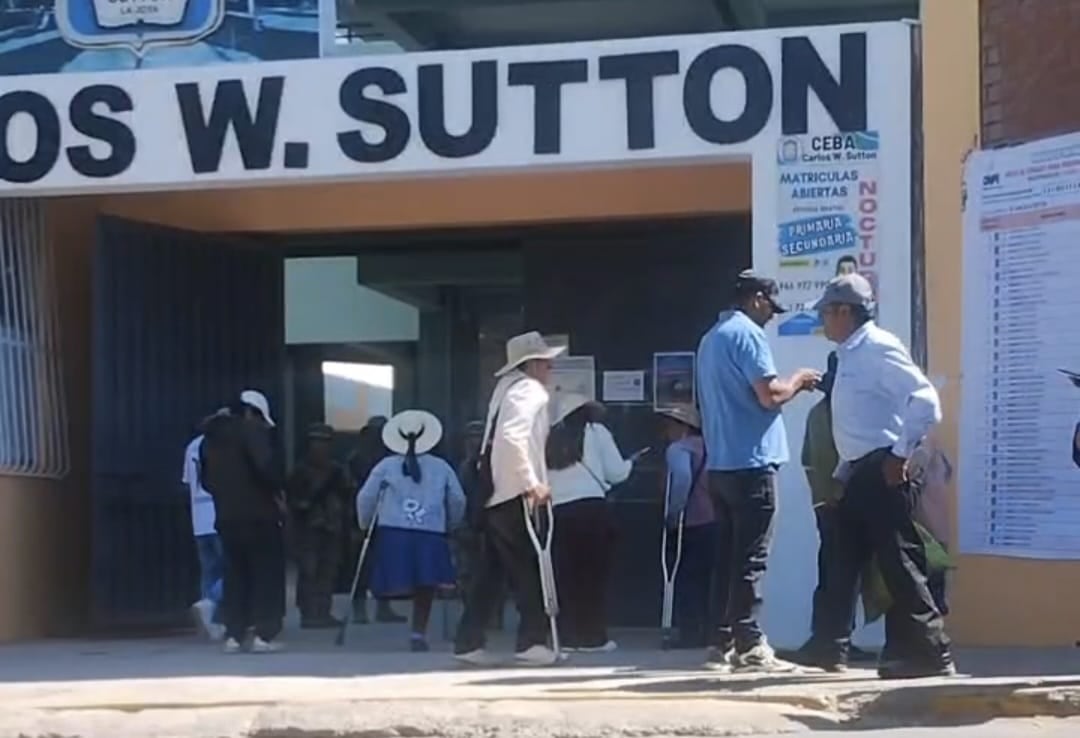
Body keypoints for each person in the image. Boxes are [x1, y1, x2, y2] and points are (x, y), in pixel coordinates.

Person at [814, 273, 955, 679]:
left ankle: (933, 651)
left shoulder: (877, 347)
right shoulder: (848, 355)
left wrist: (900, 454)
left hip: (883, 471)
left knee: (900, 564)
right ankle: (827, 648)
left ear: (845, 312)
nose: (823, 321)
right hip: (859, 472)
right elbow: (861, 424)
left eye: (827, 312)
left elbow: (925, 399)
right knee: (839, 561)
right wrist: (844, 472)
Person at [696, 270, 820, 672]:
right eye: (770, 306)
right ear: (757, 299)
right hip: (753, 463)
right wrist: (800, 379)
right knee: (751, 559)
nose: (771, 315)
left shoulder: (710, 339)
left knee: (728, 557)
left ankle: (720, 642)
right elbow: (770, 396)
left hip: (721, 465)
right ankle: (750, 644)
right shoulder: (748, 335)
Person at [454, 331, 566, 667]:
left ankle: (468, 641)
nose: (550, 368)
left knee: (492, 572)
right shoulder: (529, 390)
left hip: (495, 493)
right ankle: (531, 641)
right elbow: (512, 437)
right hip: (515, 492)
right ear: (532, 364)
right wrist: (532, 483)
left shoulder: (505, 390)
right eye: (546, 363)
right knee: (528, 568)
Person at [356, 410, 466, 651]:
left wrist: (365, 524)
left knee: (390, 576)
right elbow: (457, 499)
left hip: (393, 533)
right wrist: (451, 524)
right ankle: (418, 633)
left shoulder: (386, 466)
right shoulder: (441, 467)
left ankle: (370, 608)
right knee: (425, 584)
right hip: (430, 532)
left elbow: (366, 497)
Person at [791, 353, 875, 665]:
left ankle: (827, 640)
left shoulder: (817, 413)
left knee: (833, 573)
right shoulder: (855, 415)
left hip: (828, 505)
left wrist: (821, 497)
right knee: (846, 575)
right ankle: (836, 641)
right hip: (849, 503)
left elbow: (807, 460)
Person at [199, 389, 287, 654]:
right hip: (260, 516)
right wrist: (278, 489)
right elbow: (267, 469)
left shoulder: (209, 440)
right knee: (265, 573)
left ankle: (234, 635)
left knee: (235, 575)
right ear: (250, 412)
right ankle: (263, 634)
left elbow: (206, 481)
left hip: (227, 517)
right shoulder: (252, 432)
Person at [546, 394, 634, 653]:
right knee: (593, 577)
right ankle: (593, 637)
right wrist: (630, 464)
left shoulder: (549, 438)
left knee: (565, 576)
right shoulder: (597, 432)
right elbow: (616, 473)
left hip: (558, 512)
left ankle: (566, 637)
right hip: (591, 510)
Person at [657, 406, 716, 650]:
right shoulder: (712, 447)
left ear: (682, 427)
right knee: (709, 579)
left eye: (670, 425)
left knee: (687, 579)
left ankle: (689, 633)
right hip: (716, 519)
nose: (666, 431)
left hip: (691, 521)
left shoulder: (678, 449)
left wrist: (673, 512)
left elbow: (681, 480)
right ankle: (710, 632)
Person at [286, 423, 353, 629]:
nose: (320, 447)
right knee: (309, 571)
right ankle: (309, 612)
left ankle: (323, 611)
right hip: (308, 530)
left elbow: (348, 495)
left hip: (332, 527)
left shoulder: (337, 470)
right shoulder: (300, 471)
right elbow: (292, 500)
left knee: (328, 570)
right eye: (316, 442)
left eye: (324, 443)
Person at [344, 416, 406, 625]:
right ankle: (359, 607)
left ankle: (384, 606)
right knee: (361, 565)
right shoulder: (357, 458)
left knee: (385, 563)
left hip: (387, 515)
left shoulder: (391, 458)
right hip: (361, 516)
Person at [183, 408, 229, 641]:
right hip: (220, 514)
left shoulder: (192, 446)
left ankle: (211, 622)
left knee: (209, 571)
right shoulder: (222, 445)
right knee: (232, 568)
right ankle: (211, 603)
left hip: (198, 518)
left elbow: (187, 482)